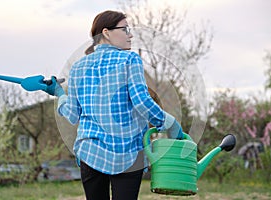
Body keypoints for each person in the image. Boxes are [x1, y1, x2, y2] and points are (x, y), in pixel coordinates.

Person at [44, 10, 184, 200]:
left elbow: (72, 114)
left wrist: (59, 94)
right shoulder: (129, 60)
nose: (130, 34)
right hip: (127, 155)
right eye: (125, 29)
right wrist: (169, 122)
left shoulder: (78, 67)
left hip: (90, 153)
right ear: (106, 33)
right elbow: (141, 102)